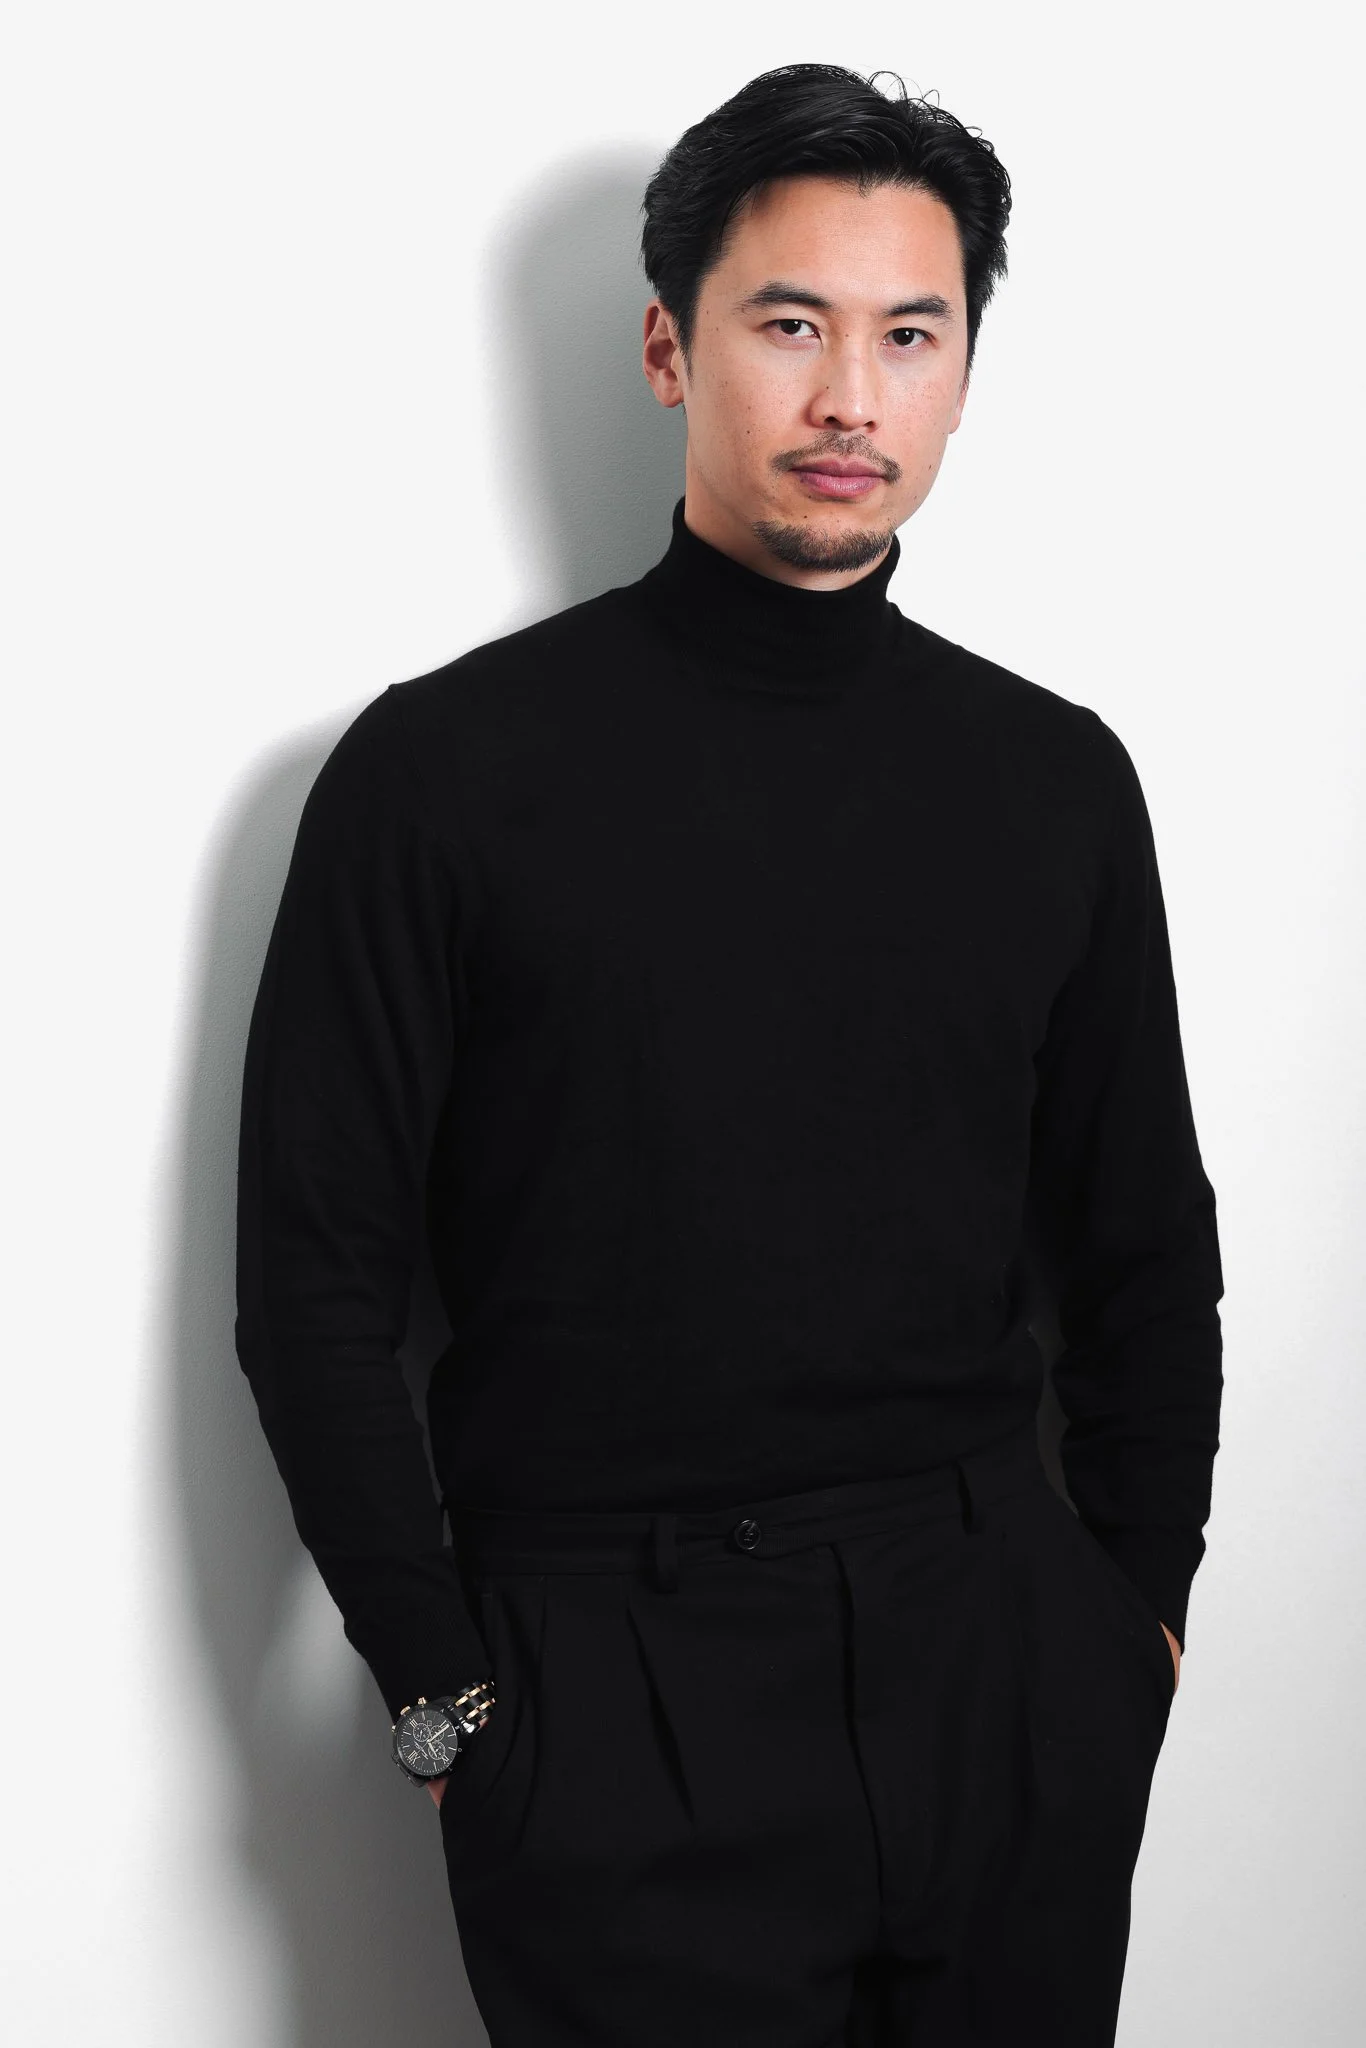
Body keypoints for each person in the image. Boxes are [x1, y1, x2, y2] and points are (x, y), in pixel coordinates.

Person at [234, 61, 1224, 2048]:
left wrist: (1130, 1628)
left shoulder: (1051, 778)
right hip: (610, 1688)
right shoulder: (442, 776)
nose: (850, 396)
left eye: (908, 335)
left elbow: (1142, 1248)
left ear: (961, 373)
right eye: (790, 323)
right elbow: (314, 1283)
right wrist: (442, 1702)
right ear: (668, 349)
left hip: (996, 1657)